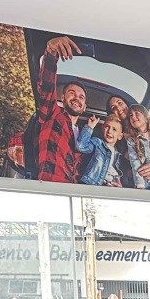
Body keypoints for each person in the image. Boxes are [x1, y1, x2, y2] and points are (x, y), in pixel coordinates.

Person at [32, 35, 88, 183]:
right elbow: (46, 86)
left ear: (84, 108)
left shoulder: (86, 137)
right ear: (62, 98)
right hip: (50, 185)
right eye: (72, 93)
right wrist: (51, 52)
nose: (76, 98)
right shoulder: (52, 114)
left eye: (81, 97)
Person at [76, 115, 130, 187]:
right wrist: (90, 127)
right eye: (107, 127)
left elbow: (123, 177)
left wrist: (120, 186)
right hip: (93, 185)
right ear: (102, 129)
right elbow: (81, 146)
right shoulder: (97, 143)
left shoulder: (119, 157)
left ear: (120, 136)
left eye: (114, 129)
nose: (109, 131)